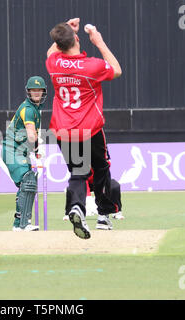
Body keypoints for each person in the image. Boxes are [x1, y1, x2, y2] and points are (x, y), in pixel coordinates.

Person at [46, 18, 122, 239]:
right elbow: (116, 70)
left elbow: (52, 50)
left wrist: (67, 29)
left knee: (78, 173)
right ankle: (104, 215)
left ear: (59, 45)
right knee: (101, 169)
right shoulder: (92, 66)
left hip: (64, 131)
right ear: (77, 40)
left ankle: (77, 207)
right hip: (91, 130)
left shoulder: (53, 63)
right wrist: (98, 41)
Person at [2, 76, 47, 231]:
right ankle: (23, 223)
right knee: (28, 182)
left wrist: (34, 149)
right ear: (28, 91)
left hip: (21, 151)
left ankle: (18, 224)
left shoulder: (35, 109)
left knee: (27, 185)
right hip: (12, 150)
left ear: (43, 92)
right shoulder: (28, 109)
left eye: (39, 89)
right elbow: (31, 134)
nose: (36, 92)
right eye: (33, 90)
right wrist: (36, 148)